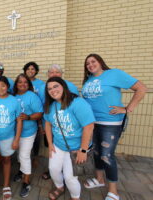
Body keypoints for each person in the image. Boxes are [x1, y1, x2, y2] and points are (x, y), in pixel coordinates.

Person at [81, 53, 147, 200]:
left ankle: (114, 192)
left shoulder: (114, 74)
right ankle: (99, 179)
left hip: (110, 123)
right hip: (93, 122)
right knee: (96, 152)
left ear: (100, 62)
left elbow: (141, 88)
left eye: (93, 61)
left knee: (107, 155)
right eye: (87, 64)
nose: (90, 65)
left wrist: (127, 108)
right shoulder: (89, 80)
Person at [44, 77, 95, 200]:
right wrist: (50, 144)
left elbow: (88, 127)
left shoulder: (78, 103)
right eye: (49, 89)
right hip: (58, 145)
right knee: (53, 169)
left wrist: (83, 150)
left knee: (70, 177)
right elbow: (47, 124)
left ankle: (75, 196)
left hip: (76, 148)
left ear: (63, 86)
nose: (53, 90)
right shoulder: (51, 106)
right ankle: (60, 187)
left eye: (56, 86)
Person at [39, 64, 80, 180]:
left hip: (68, 126)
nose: (54, 74)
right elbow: (43, 107)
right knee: (51, 147)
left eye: (57, 72)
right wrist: (42, 125)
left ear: (61, 74)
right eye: (51, 72)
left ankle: (68, 171)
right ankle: (54, 169)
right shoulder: (43, 87)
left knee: (66, 150)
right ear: (48, 75)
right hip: (49, 123)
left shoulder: (71, 86)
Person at [12, 74, 43, 197]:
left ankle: (26, 181)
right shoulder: (12, 96)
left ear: (28, 84)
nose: (22, 84)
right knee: (19, 154)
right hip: (14, 132)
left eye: (25, 82)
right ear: (16, 84)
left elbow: (39, 113)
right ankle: (21, 171)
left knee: (24, 155)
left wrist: (29, 117)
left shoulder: (32, 96)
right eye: (20, 82)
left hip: (29, 131)